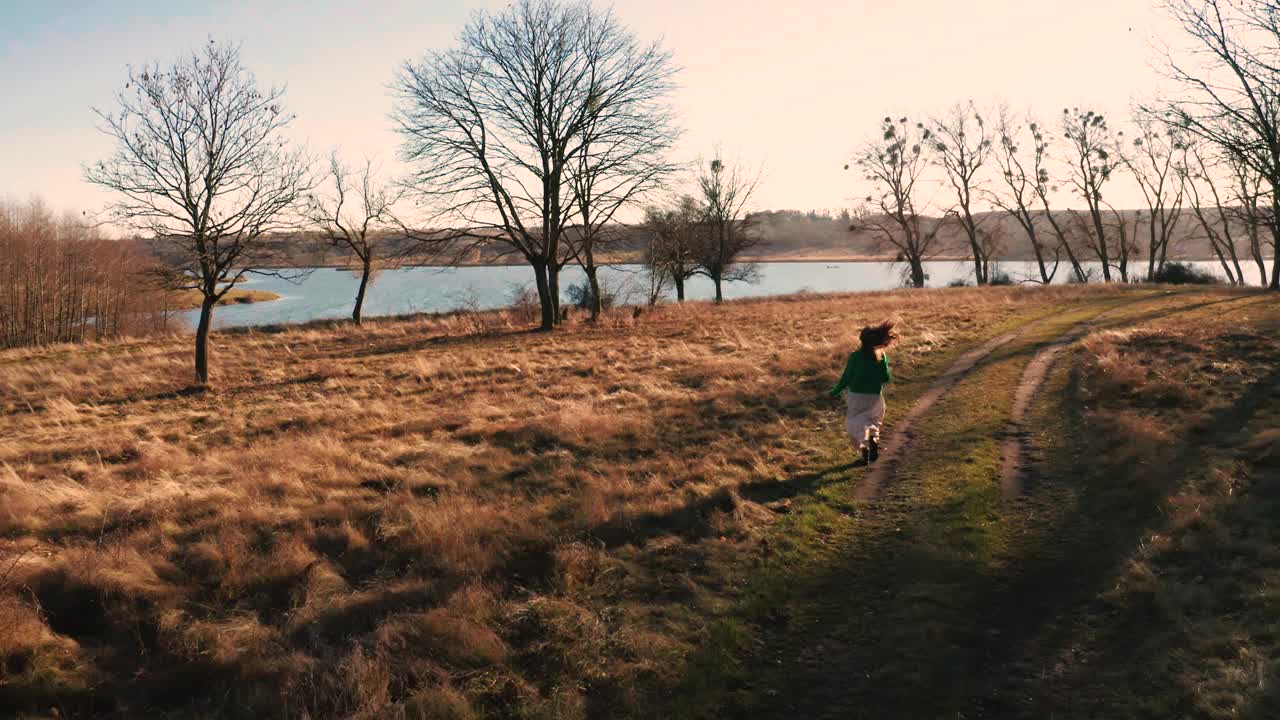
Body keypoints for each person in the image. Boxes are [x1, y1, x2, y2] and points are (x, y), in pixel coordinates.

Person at [829, 320, 898, 464]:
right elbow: (886, 377)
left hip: (857, 397)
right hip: (876, 397)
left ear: (862, 340)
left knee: (854, 425)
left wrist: (835, 391)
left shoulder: (855, 356)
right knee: (873, 421)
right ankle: (872, 437)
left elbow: (846, 377)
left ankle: (864, 454)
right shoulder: (881, 357)